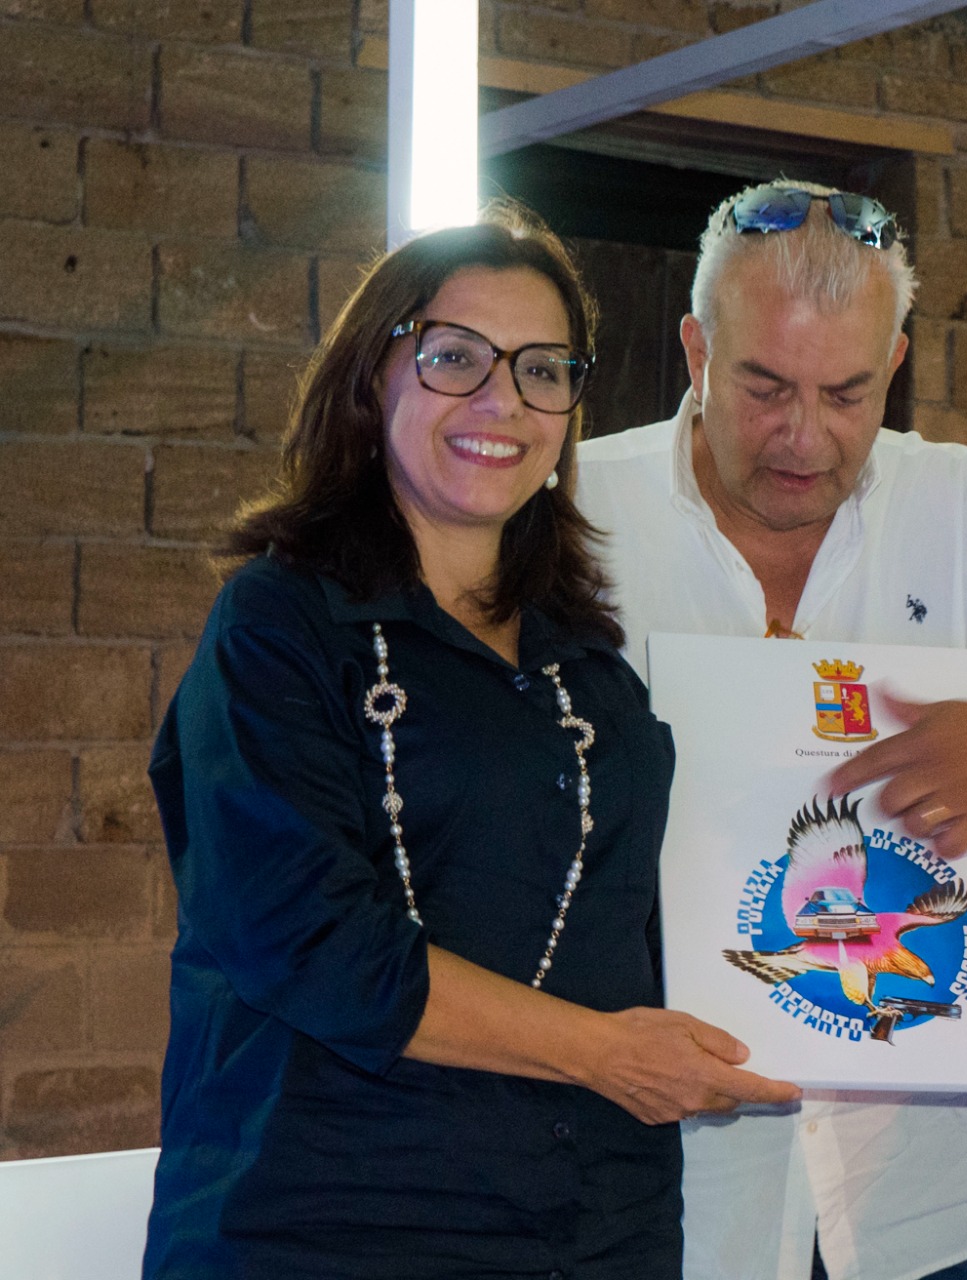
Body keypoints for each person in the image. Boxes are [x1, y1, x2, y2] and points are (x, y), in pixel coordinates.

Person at [143, 205, 797, 1279]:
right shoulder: (280, 628)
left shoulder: (592, 668)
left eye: (542, 370)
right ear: (372, 379)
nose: (504, 401)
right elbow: (308, 938)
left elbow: (668, 910)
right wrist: (604, 1053)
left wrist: (910, 850)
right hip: (333, 1227)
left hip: (595, 1231)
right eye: (455, 358)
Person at [574, 181, 967, 1280]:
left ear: (896, 364)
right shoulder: (574, 514)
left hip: (933, 1210)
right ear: (695, 351)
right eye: (765, 387)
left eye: (847, 393)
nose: (804, 435)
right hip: (655, 1200)